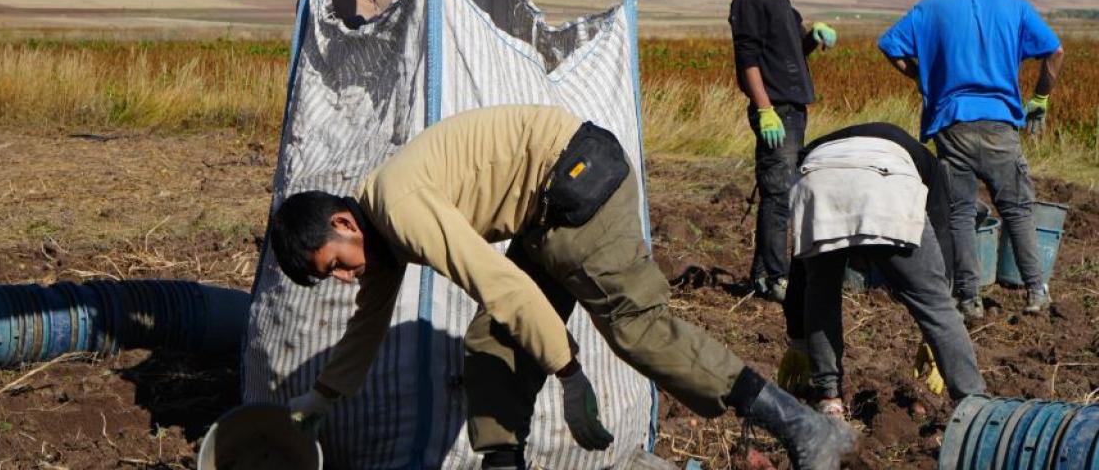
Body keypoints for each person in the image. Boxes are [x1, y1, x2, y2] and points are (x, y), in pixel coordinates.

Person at [269, 105, 855, 470]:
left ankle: (801, 427)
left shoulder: (397, 207)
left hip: (577, 177)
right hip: (543, 208)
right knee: (494, 344)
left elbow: (500, 284)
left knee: (635, 327)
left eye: (336, 264)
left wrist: (570, 376)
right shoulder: (376, 229)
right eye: (333, 278)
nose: (347, 279)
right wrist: (318, 403)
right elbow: (366, 325)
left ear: (344, 224)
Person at [877, 0, 1066, 319]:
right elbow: (1055, 51)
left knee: (961, 214)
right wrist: (1041, 97)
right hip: (1000, 124)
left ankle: (969, 299)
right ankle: (1035, 290)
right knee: (1017, 210)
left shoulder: (931, 8)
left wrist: (920, 78)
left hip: (953, 125)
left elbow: (889, 45)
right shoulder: (1014, 6)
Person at [775, 123, 987, 416]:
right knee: (934, 302)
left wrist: (798, 336)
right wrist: (940, 313)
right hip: (887, 182)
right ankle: (974, 404)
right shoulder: (927, 161)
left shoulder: (818, 146)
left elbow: (802, 270)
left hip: (820, 178)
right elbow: (942, 232)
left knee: (821, 291)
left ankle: (828, 399)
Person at [728, 0, 838, 302]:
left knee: (783, 191)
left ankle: (763, 275)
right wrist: (764, 109)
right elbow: (748, 59)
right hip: (776, 111)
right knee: (778, 195)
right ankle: (777, 279)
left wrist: (811, 38)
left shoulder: (779, 0)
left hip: (792, 110)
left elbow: (785, 55)